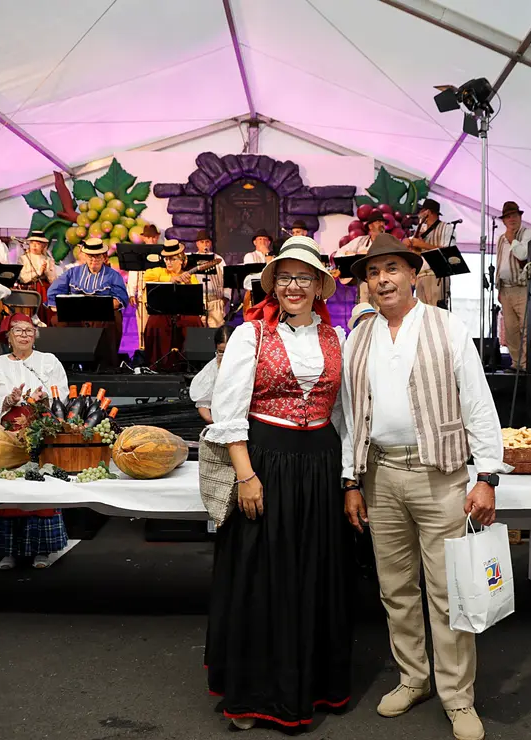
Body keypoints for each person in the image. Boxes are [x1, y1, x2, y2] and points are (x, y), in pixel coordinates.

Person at [340, 233, 508, 740]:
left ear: (414, 274)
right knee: (395, 588)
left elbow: (478, 403)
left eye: (392, 268)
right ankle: (413, 678)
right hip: (380, 475)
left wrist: (487, 476)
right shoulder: (358, 337)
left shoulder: (446, 326)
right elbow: (350, 416)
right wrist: (351, 480)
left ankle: (458, 697)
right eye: (374, 272)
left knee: (448, 590)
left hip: (440, 475)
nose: (383, 279)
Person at [204, 235, 352, 730]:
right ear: (273, 285)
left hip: (321, 464)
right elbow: (228, 411)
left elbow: (344, 414)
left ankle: (310, 687)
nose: (293, 286)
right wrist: (246, 475)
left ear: (319, 287)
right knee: (262, 576)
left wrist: (347, 478)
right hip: (266, 461)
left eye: (303, 277)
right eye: (285, 277)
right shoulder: (250, 335)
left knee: (313, 572)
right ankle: (254, 696)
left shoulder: (337, 338)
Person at [0, 313, 70, 570]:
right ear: (9, 337)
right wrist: (8, 400)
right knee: (8, 491)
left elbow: (61, 393)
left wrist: (45, 398)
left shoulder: (49, 361)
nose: (25, 335)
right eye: (18, 331)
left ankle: (43, 550)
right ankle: (9, 551)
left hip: (40, 431)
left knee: (39, 490)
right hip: (7, 434)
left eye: (29, 330)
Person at [46, 237, 129, 369]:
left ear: (103, 257)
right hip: (75, 314)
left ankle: (105, 365)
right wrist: (59, 307)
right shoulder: (72, 273)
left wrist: (99, 307)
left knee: (113, 319)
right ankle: (66, 364)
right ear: (85, 256)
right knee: (58, 320)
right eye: (90, 256)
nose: (94, 259)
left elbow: (119, 298)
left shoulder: (113, 275)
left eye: (97, 256)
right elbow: (54, 292)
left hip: (101, 315)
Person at [141, 240, 201, 371]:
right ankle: (158, 363)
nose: (168, 262)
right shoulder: (159, 272)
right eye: (166, 259)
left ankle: (190, 363)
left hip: (183, 312)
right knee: (154, 322)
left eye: (172, 259)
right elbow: (146, 276)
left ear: (181, 261)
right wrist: (169, 279)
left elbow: (195, 300)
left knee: (194, 321)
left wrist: (188, 284)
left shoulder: (190, 276)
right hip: (163, 312)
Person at [496, 201, 531, 371]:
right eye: (508, 217)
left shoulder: (528, 234)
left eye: (514, 215)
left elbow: (522, 255)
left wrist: (512, 239)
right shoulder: (500, 239)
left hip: (522, 287)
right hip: (506, 288)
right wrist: (499, 287)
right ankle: (517, 364)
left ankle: (527, 365)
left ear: (520, 217)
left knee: (525, 328)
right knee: (510, 329)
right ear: (504, 221)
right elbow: (499, 263)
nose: (511, 219)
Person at [402, 198, 453, 308]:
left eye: (421, 211)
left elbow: (448, 252)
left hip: (436, 276)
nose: (419, 214)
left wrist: (423, 245)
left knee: (435, 312)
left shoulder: (447, 228)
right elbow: (409, 244)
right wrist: (406, 243)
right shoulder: (421, 229)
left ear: (428, 212)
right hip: (420, 276)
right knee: (422, 312)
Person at [335, 213, 386, 304]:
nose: (382, 224)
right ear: (370, 226)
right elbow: (339, 253)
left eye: (383, 222)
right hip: (363, 285)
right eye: (378, 222)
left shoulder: (388, 242)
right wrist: (355, 255)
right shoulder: (361, 241)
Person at [189, 325, 234, 425]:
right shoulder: (211, 369)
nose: (225, 356)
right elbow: (203, 402)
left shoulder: (248, 364)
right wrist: (211, 420)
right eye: (221, 352)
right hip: (221, 421)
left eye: (229, 352)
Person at [194, 230, 228, 328]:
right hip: (199, 302)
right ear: (197, 244)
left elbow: (226, 278)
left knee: (216, 331)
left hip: (215, 301)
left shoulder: (218, 259)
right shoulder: (193, 260)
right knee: (199, 331)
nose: (205, 244)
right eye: (202, 242)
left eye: (207, 242)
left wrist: (225, 299)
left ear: (211, 243)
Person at [241, 228, 274, 295]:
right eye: (260, 239)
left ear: (269, 242)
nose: (262, 242)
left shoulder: (273, 257)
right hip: (254, 291)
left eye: (265, 239)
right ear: (255, 242)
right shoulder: (249, 256)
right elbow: (253, 276)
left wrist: (267, 253)